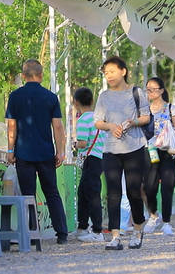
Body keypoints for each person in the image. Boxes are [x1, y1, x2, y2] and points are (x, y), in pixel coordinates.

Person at [5, 59, 68, 244]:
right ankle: (62, 233)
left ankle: (33, 235)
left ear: (23, 76)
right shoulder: (50, 97)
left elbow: (12, 126)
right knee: (52, 192)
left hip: (23, 153)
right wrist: (61, 151)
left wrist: (10, 149)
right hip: (46, 153)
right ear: (41, 75)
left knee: (28, 195)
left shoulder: (15, 96)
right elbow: (57, 127)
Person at [94, 56, 150, 250]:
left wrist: (131, 123)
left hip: (134, 147)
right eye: (106, 72)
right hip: (111, 149)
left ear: (123, 71)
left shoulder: (137, 93)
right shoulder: (104, 96)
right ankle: (115, 236)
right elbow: (98, 121)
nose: (109, 75)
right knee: (113, 192)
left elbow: (146, 117)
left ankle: (137, 229)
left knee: (134, 191)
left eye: (112, 71)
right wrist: (110, 125)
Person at [143, 77, 175, 236]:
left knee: (167, 186)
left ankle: (166, 222)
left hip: (168, 151)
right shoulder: (145, 110)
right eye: (148, 89)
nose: (150, 92)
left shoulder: (171, 108)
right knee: (149, 187)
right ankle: (153, 215)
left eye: (153, 89)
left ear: (161, 90)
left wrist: (171, 131)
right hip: (150, 150)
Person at [72, 87, 106, 243]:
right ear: (92, 101)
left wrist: (75, 144)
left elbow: (83, 142)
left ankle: (97, 230)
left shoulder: (83, 119)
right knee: (84, 192)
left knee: (91, 194)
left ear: (76, 102)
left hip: (90, 159)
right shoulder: (99, 119)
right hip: (100, 158)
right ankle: (83, 226)